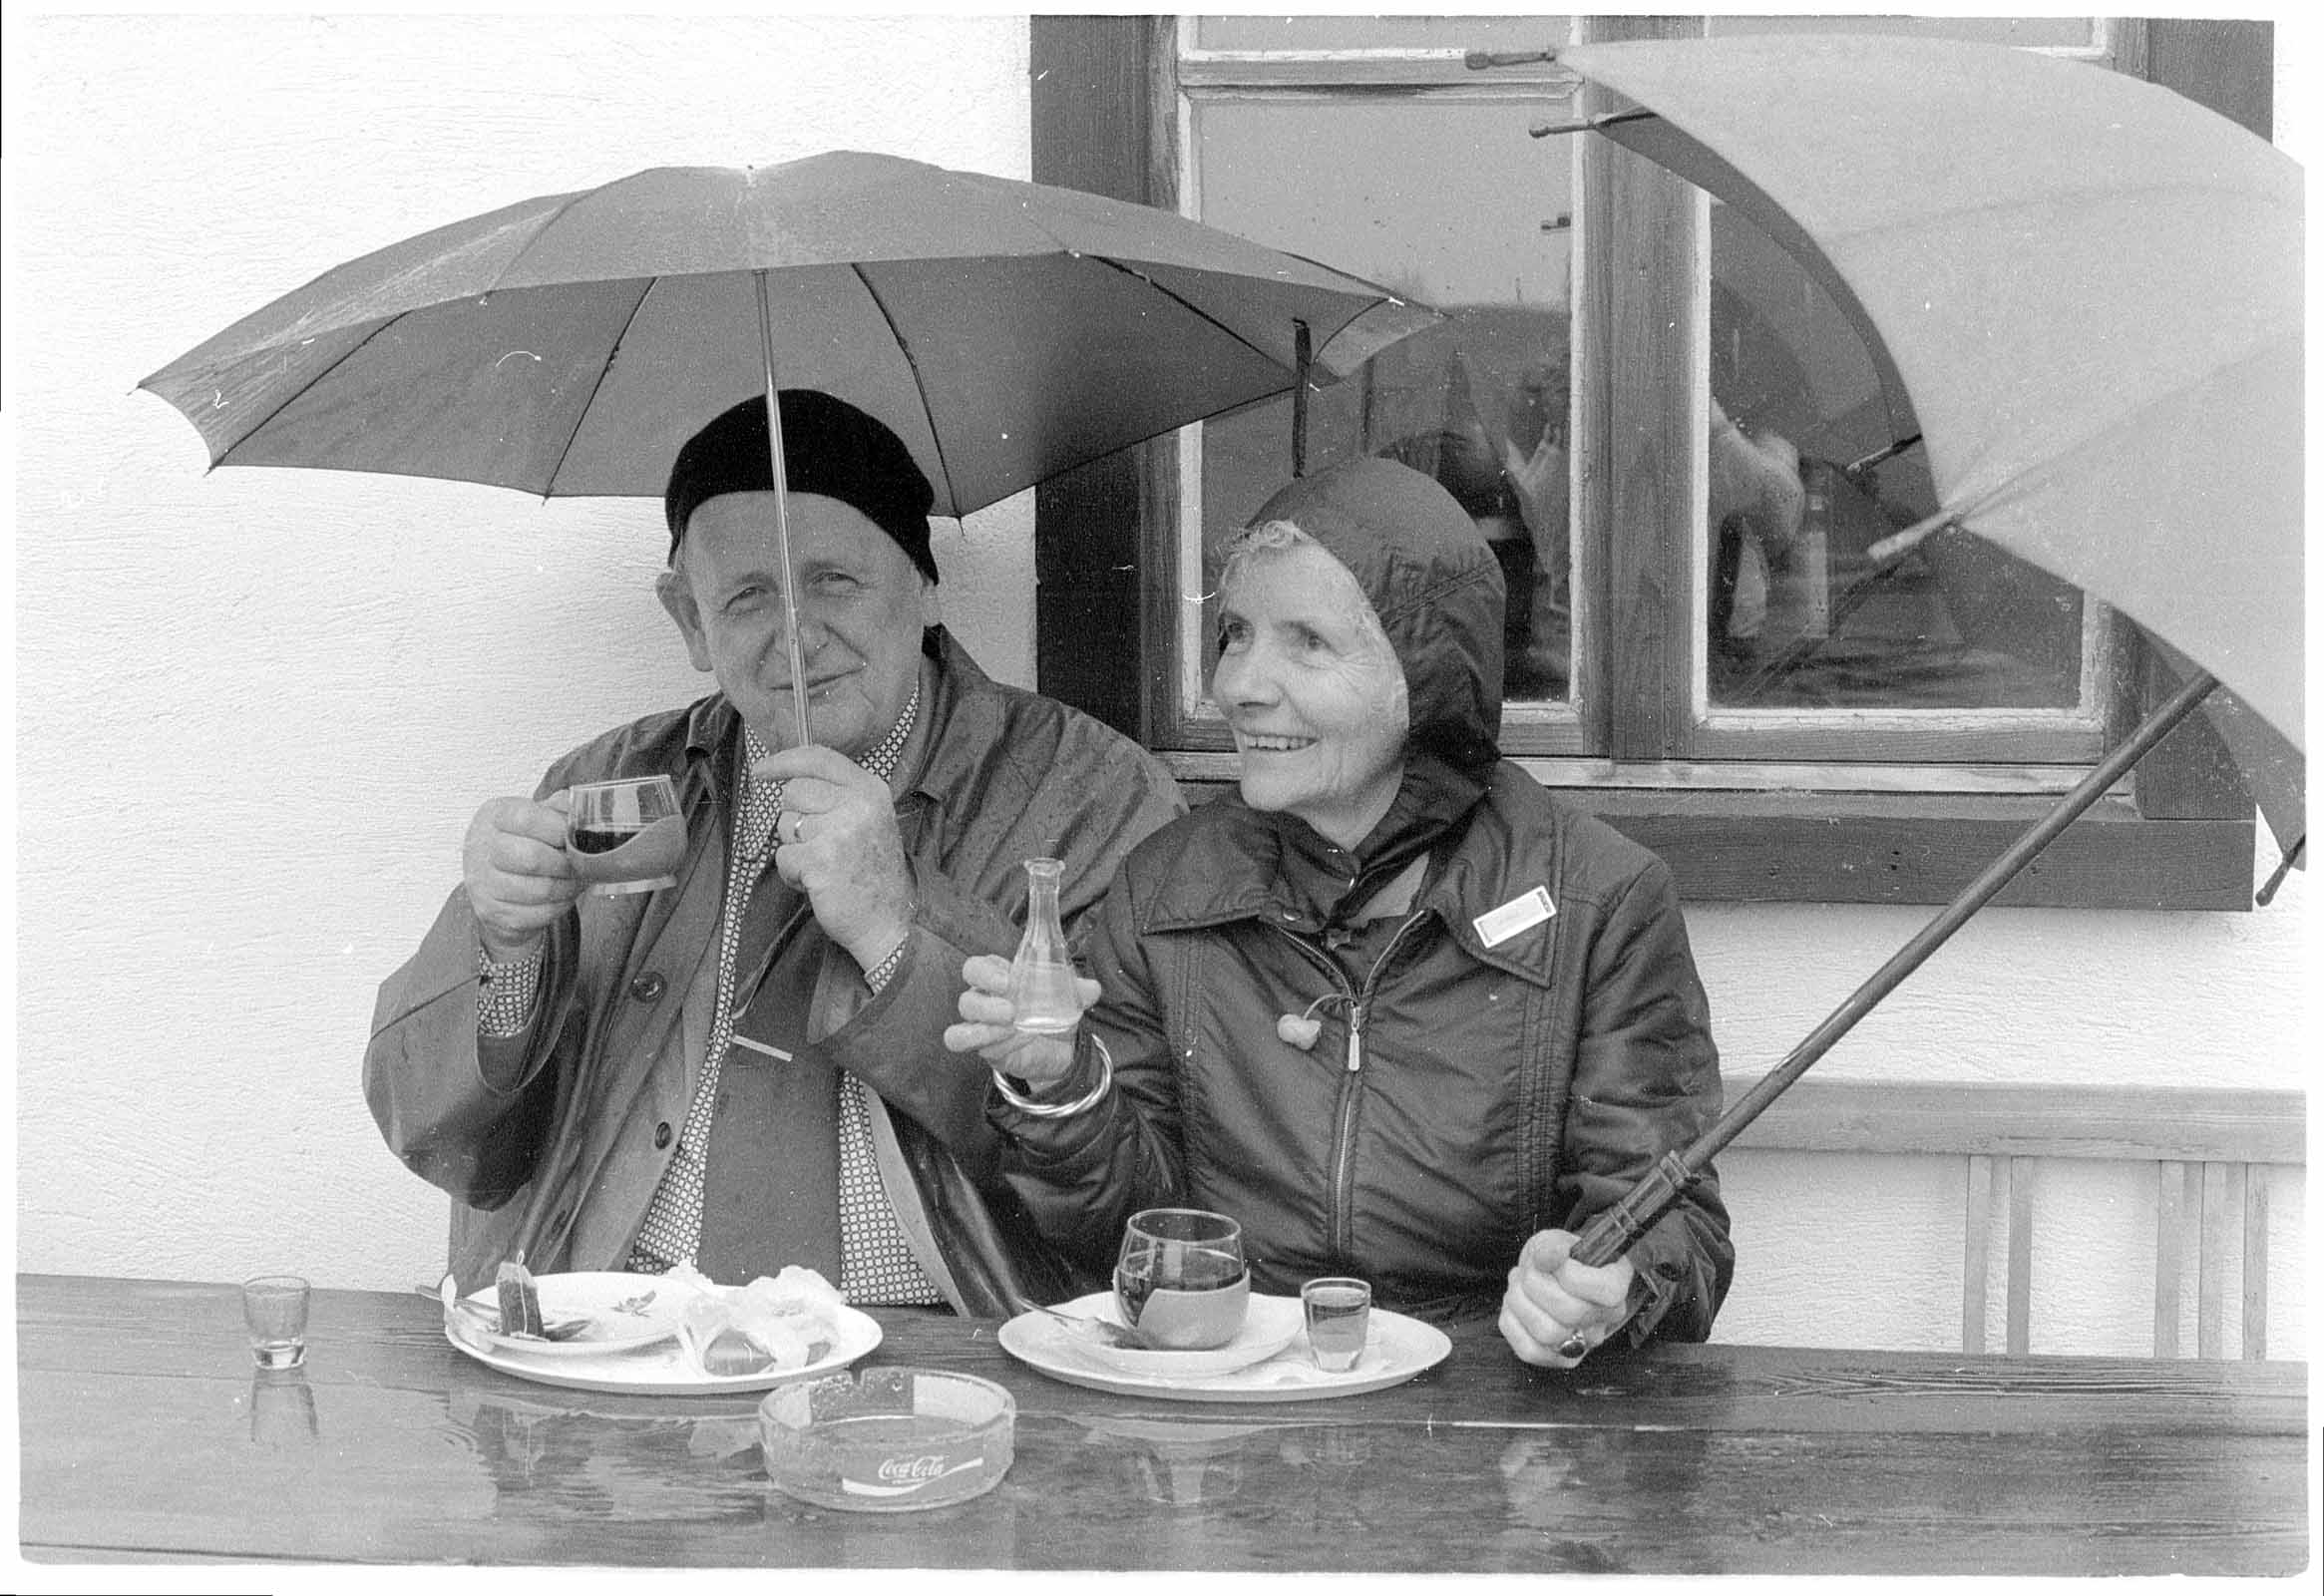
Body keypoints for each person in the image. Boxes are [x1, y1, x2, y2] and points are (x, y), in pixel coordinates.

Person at [367, 390, 1184, 1313]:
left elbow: (1136, 1206)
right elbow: (444, 1143)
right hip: (630, 1327)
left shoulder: (1090, 795)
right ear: (690, 620)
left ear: (924, 587)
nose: (797, 635)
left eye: (834, 581)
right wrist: (506, 950)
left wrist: (896, 927)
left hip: (931, 1340)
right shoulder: (611, 786)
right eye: (749, 595)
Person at [947, 456, 1732, 1366]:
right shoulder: (1165, 890)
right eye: (1236, 634)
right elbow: (1129, 1237)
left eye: (1308, 643)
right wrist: (1065, 1089)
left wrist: (1607, 1288)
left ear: (1429, 672)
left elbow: (1675, 1227)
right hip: (1243, 1391)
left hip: (1485, 1401)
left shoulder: (1600, 902)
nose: (1238, 684)